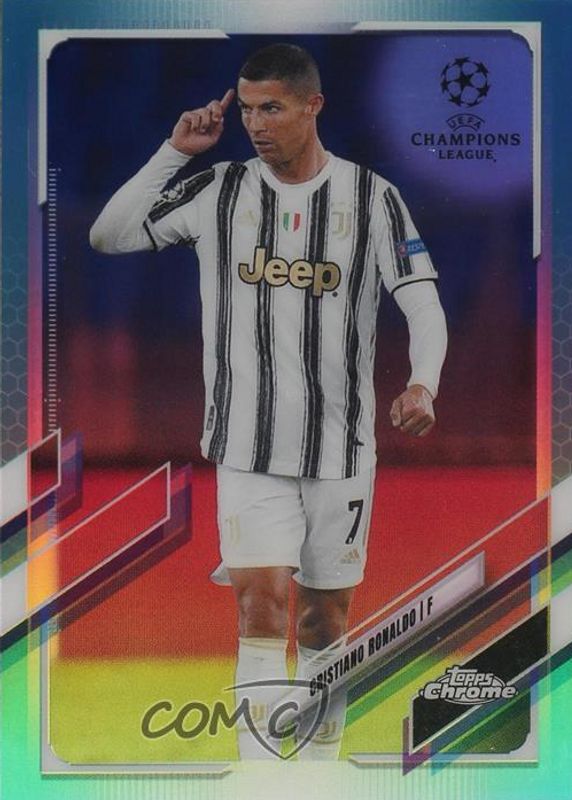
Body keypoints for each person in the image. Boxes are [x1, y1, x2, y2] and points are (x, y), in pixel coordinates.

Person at [90, 42, 447, 760]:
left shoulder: (372, 197)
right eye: (248, 108)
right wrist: (174, 151)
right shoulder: (217, 189)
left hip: (341, 451)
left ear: (314, 106)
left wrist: (423, 383)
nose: (255, 123)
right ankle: (262, 780)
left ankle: (316, 773)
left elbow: (422, 302)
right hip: (245, 447)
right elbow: (108, 235)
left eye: (272, 108)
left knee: (323, 623)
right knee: (260, 606)